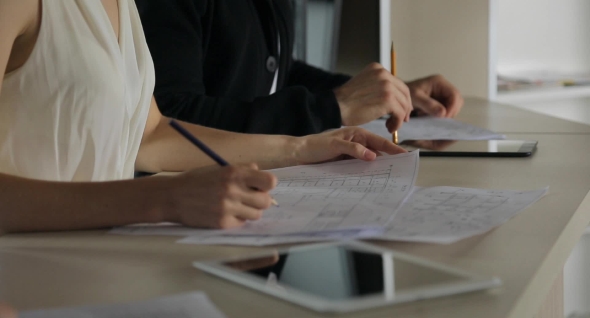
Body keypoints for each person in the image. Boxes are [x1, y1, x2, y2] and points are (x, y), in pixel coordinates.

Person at [0, 0, 405, 233]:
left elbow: (150, 134)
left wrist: (301, 147)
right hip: (29, 282)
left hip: (101, 268)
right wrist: (162, 199)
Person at [135, 0, 464, 136]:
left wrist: (388, 92)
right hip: (197, 207)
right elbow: (168, 116)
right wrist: (332, 109)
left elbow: (280, 72)